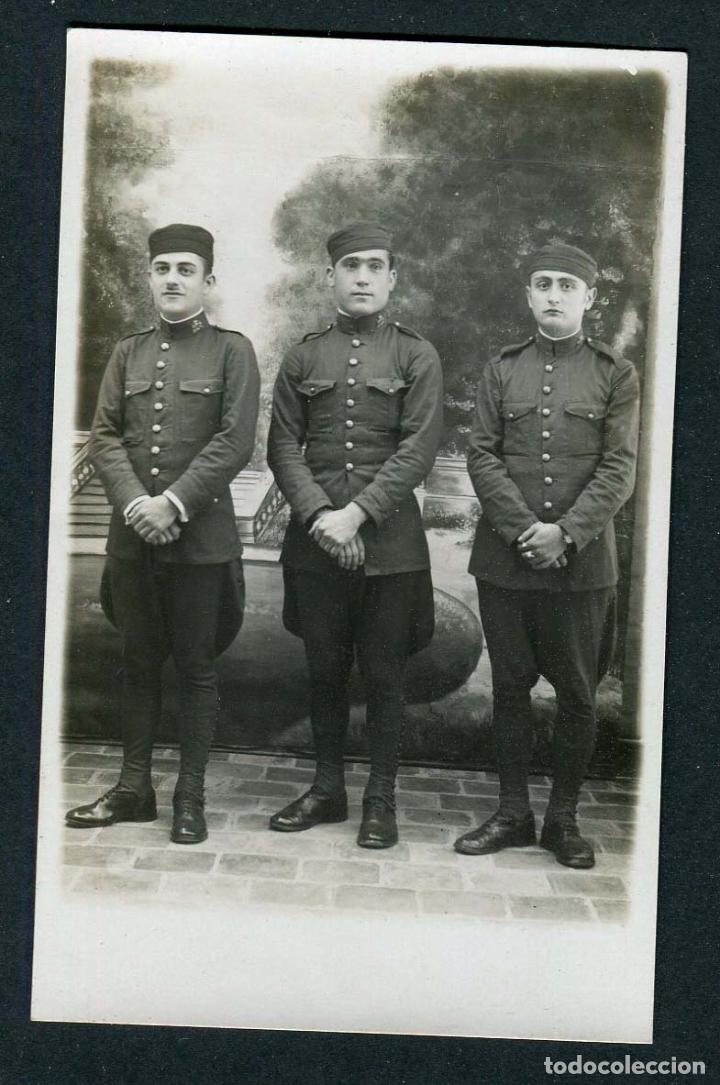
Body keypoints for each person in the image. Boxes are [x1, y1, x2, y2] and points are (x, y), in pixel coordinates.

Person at [66, 223, 260, 844]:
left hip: (200, 543)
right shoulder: (128, 352)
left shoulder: (233, 351)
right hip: (133, 539)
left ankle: (190, 797)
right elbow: (105, 435)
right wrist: (135, 506)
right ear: (149, 278)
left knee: (197, 668)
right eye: (162, 269)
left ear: (209, 280)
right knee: (139, 663)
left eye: (185, 269)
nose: (172, 279)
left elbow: (234, 440)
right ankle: (133, 789)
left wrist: (173, 503)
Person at [454, 242, 640, 868]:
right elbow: (482, 454)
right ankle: (512, 812)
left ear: (590, 297)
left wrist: (565, 533)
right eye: (542, 283)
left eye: (567, 284)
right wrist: (523, 528)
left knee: (579, 697)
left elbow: (620, 467)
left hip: (582, 566)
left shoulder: (615, 372)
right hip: (506, 562)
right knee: (509, 690)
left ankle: (562, 820)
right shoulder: (502, 369)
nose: (554, 294)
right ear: (528, 295)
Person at [267, 221, 444, 848]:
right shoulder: (304, 356)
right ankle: (327, 789)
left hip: (390, 549)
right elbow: (283, 447)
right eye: (351, 266)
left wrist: (357, 514)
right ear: (330, 277)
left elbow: (418, 449)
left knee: (385, 677)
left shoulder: (416, 354)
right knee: (323, 671)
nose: (362, 276)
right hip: (316, 545)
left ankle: (381, 799)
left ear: (392, 278)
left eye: (375, 266)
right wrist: (320, 516)